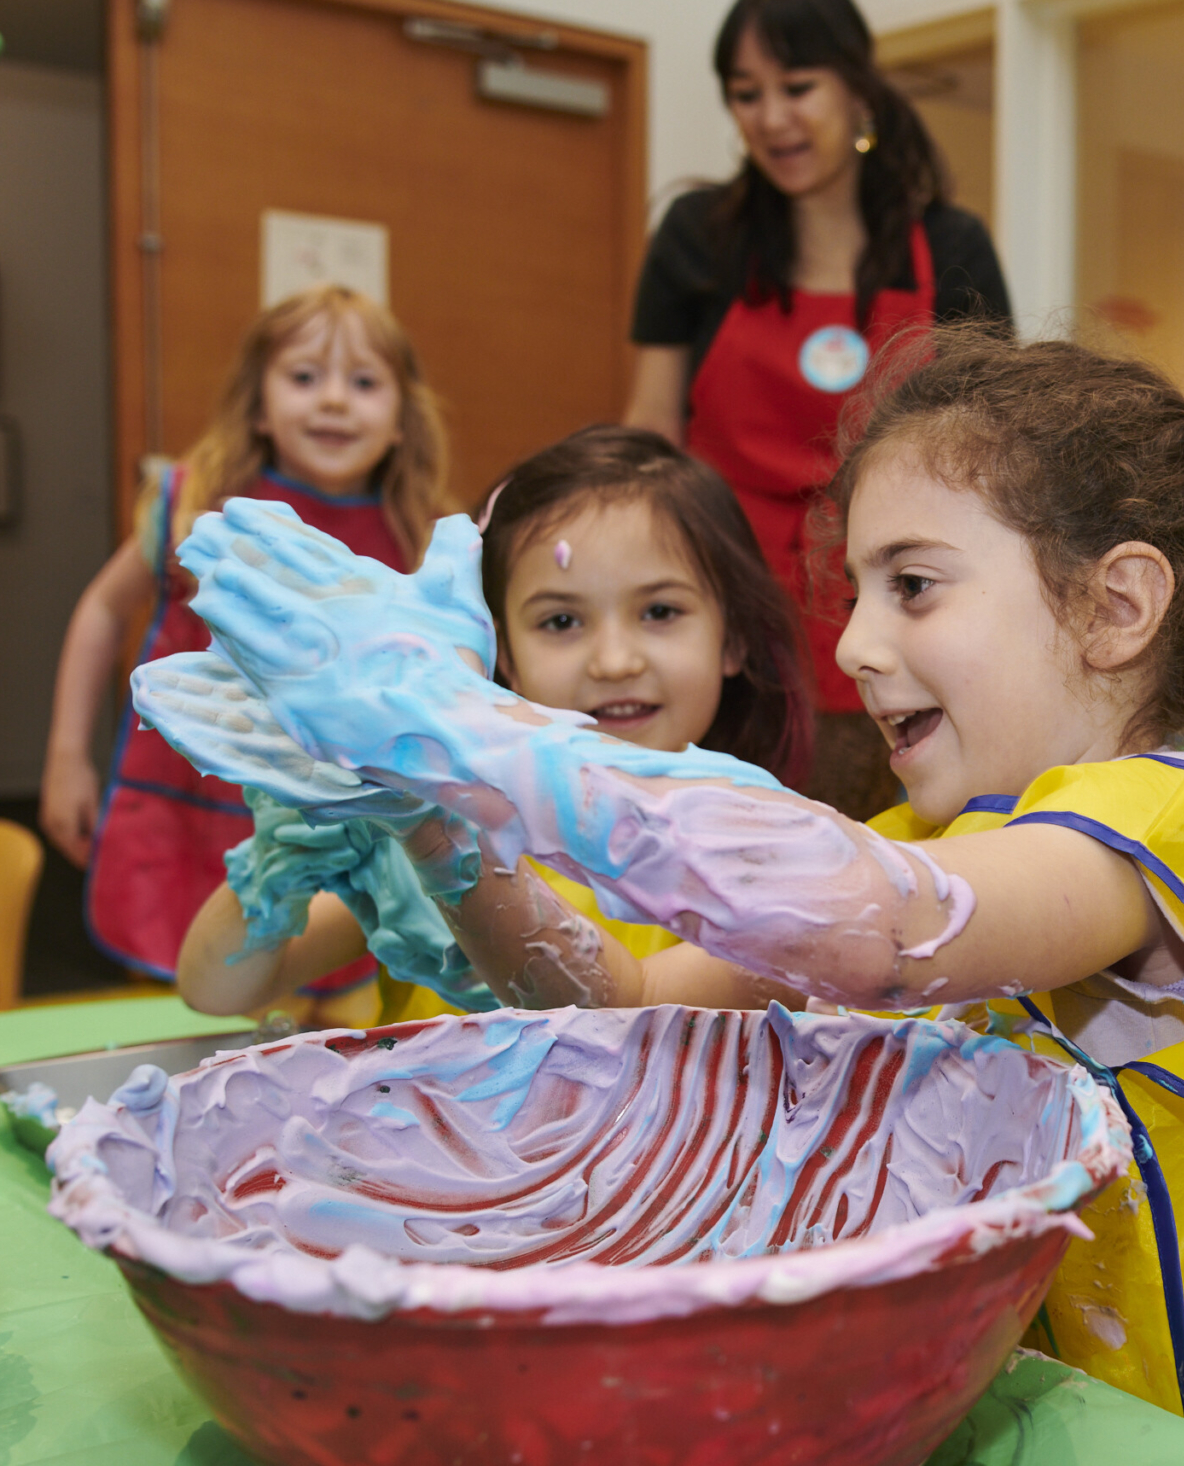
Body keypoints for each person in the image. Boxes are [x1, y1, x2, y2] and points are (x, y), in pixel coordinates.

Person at [137, 330, 1184, 1435]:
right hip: (944, 1424)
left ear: (1113, 607)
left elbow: (879, 930)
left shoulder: (1154, 831)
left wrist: (473, 731)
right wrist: (446, 821)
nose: (852, 643)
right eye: (856, 593)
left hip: (1111, 1452)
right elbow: (625, 1003)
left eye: (913, 584)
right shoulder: (926, 833)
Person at [175, 425, 812, 1029]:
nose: (616, 660)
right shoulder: (425, 820)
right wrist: (280, 858)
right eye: (561, 621)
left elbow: (632, 1026)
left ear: (731, 637)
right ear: (497, 650)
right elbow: (217, 991)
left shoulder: (773, 856)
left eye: (660, 611)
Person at [623, 0, 1010, 822]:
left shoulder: (950, 245)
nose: (771, 118)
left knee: (882, 850)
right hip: (726, 598)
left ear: (857, 87)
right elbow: (650, 428)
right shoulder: (697, 239)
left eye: (797, 88)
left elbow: (994, 449)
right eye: (745, 95)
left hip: (890, 601)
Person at [41, 285, 452, 982]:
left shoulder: (420, 540)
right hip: (181, 809)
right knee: (190, 991)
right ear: (259, 406)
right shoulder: (196, 502)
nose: (332, 400)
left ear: (401, 422)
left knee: (305, 1004)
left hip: (331, 821)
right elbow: (104, 611)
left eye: (363, 382)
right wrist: (65, 753)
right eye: (303, 377)